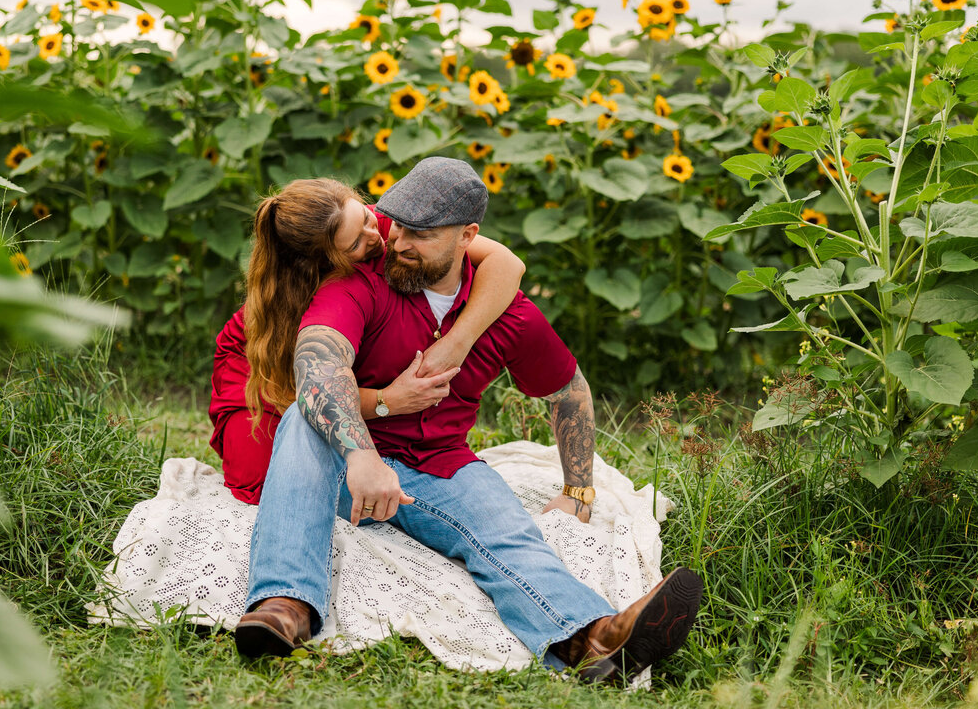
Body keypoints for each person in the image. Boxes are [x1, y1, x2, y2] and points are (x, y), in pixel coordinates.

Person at [234, 157, 702, 686]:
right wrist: (363, 453)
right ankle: (284, 605)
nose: (398, 241)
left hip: (442, 464)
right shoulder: (360, 280)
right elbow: (317, 365)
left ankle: (592, 638)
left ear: (467, 236)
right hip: (345, 462)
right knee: (303, 415)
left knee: (509, 533)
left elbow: (569, 392)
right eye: (397, 224)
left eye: (422, 234)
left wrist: (578, 489)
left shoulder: (508, 311)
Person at [209, 178, 527, 504]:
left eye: (365, 218)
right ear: (323, 262)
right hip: (268, 368)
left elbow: (507, 264)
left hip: (342, 360)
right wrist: (388, 400)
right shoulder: (291, 292)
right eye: (355, 245)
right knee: (270, 486)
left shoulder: (382, 224)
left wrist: (457, 344)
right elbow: (311, 391)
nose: (377, 238)